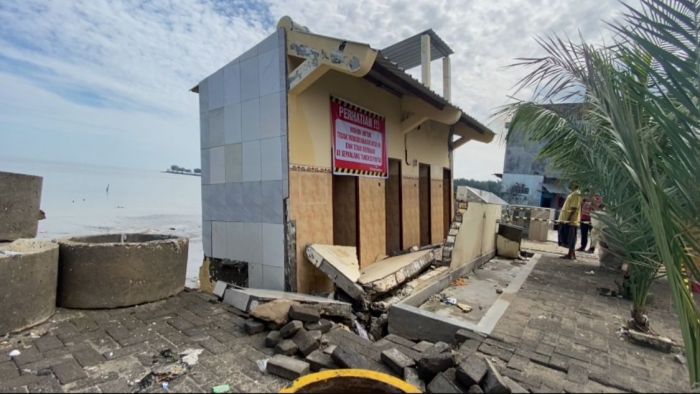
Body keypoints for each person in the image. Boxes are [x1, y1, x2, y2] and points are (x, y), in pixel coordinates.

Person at [559, 183, 583, 259]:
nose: (569, 184)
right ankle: (572, 254)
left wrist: (568, 220)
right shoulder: (573, 193)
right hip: (567, 220)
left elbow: (574, 208)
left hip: (570, 221)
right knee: (570, 237)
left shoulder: (576, 194)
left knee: (570, 238)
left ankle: (570, 254)